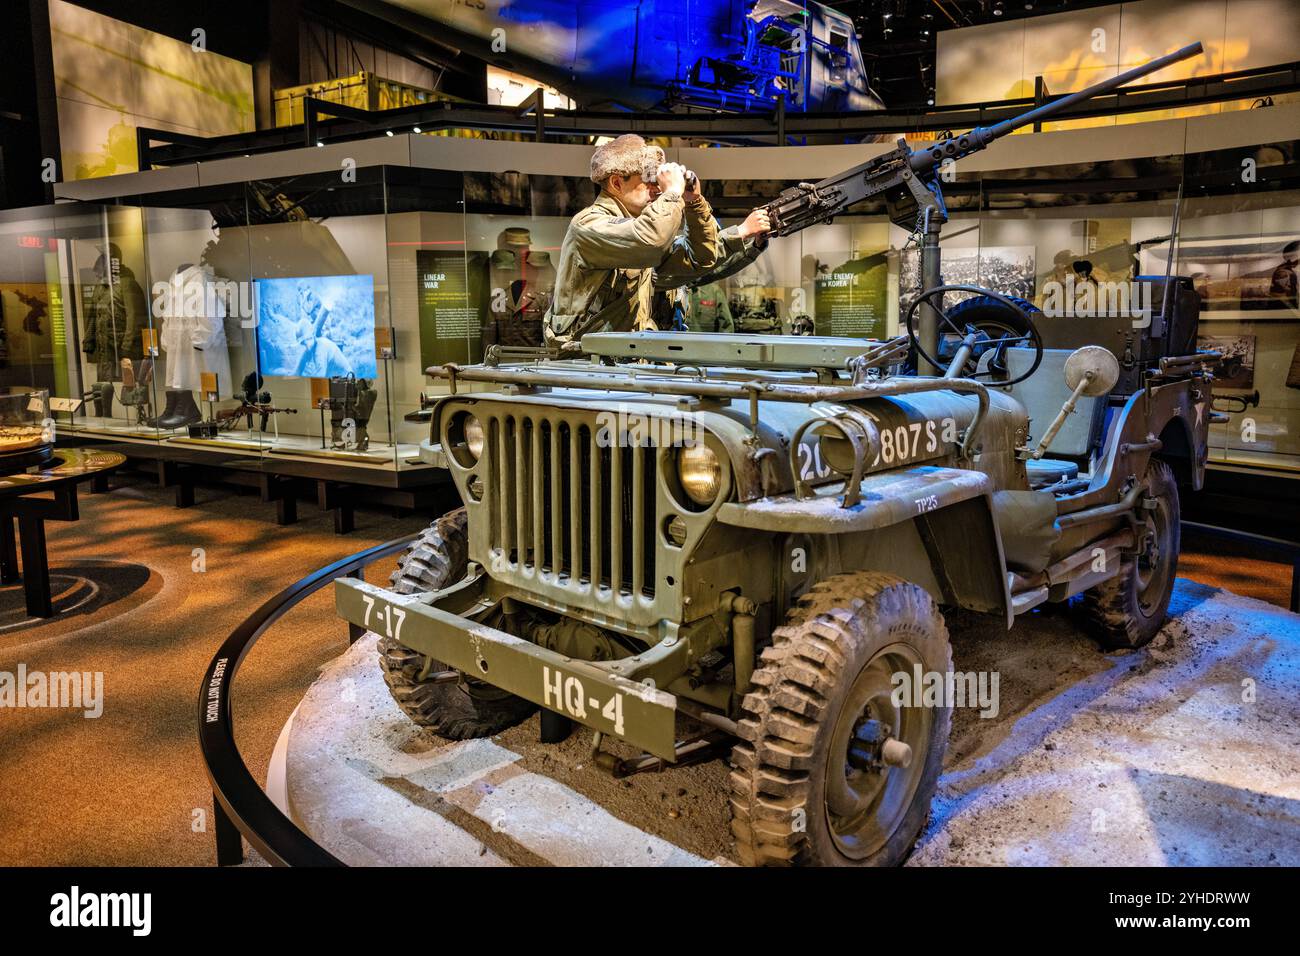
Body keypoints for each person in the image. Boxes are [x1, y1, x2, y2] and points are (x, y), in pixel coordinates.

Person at [544, 134, 718, 347]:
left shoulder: (637, 227)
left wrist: (694, 203)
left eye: (657, 181)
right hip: (588, 366)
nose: (656, 189)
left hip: (624, 361)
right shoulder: (589, 224)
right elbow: (651, 241)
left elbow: (700, 259)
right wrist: (672, 192)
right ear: (617, 182)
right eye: (647, 180)